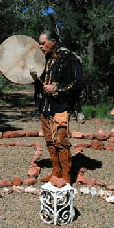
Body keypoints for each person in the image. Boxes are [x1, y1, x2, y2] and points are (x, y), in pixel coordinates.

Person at [30, 29, 83, 185]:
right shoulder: (42, 59)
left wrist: (57, 87)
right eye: (39, 43)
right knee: (49, 141)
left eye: (43, 43)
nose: (40, 46)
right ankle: (56, 171)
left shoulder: (69, 58)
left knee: (61, 140)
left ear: (53, 42)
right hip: (45, 106)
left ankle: (66, 176)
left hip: (61, 106)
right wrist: (34, 77)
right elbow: (40, 83)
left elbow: (77, 83)